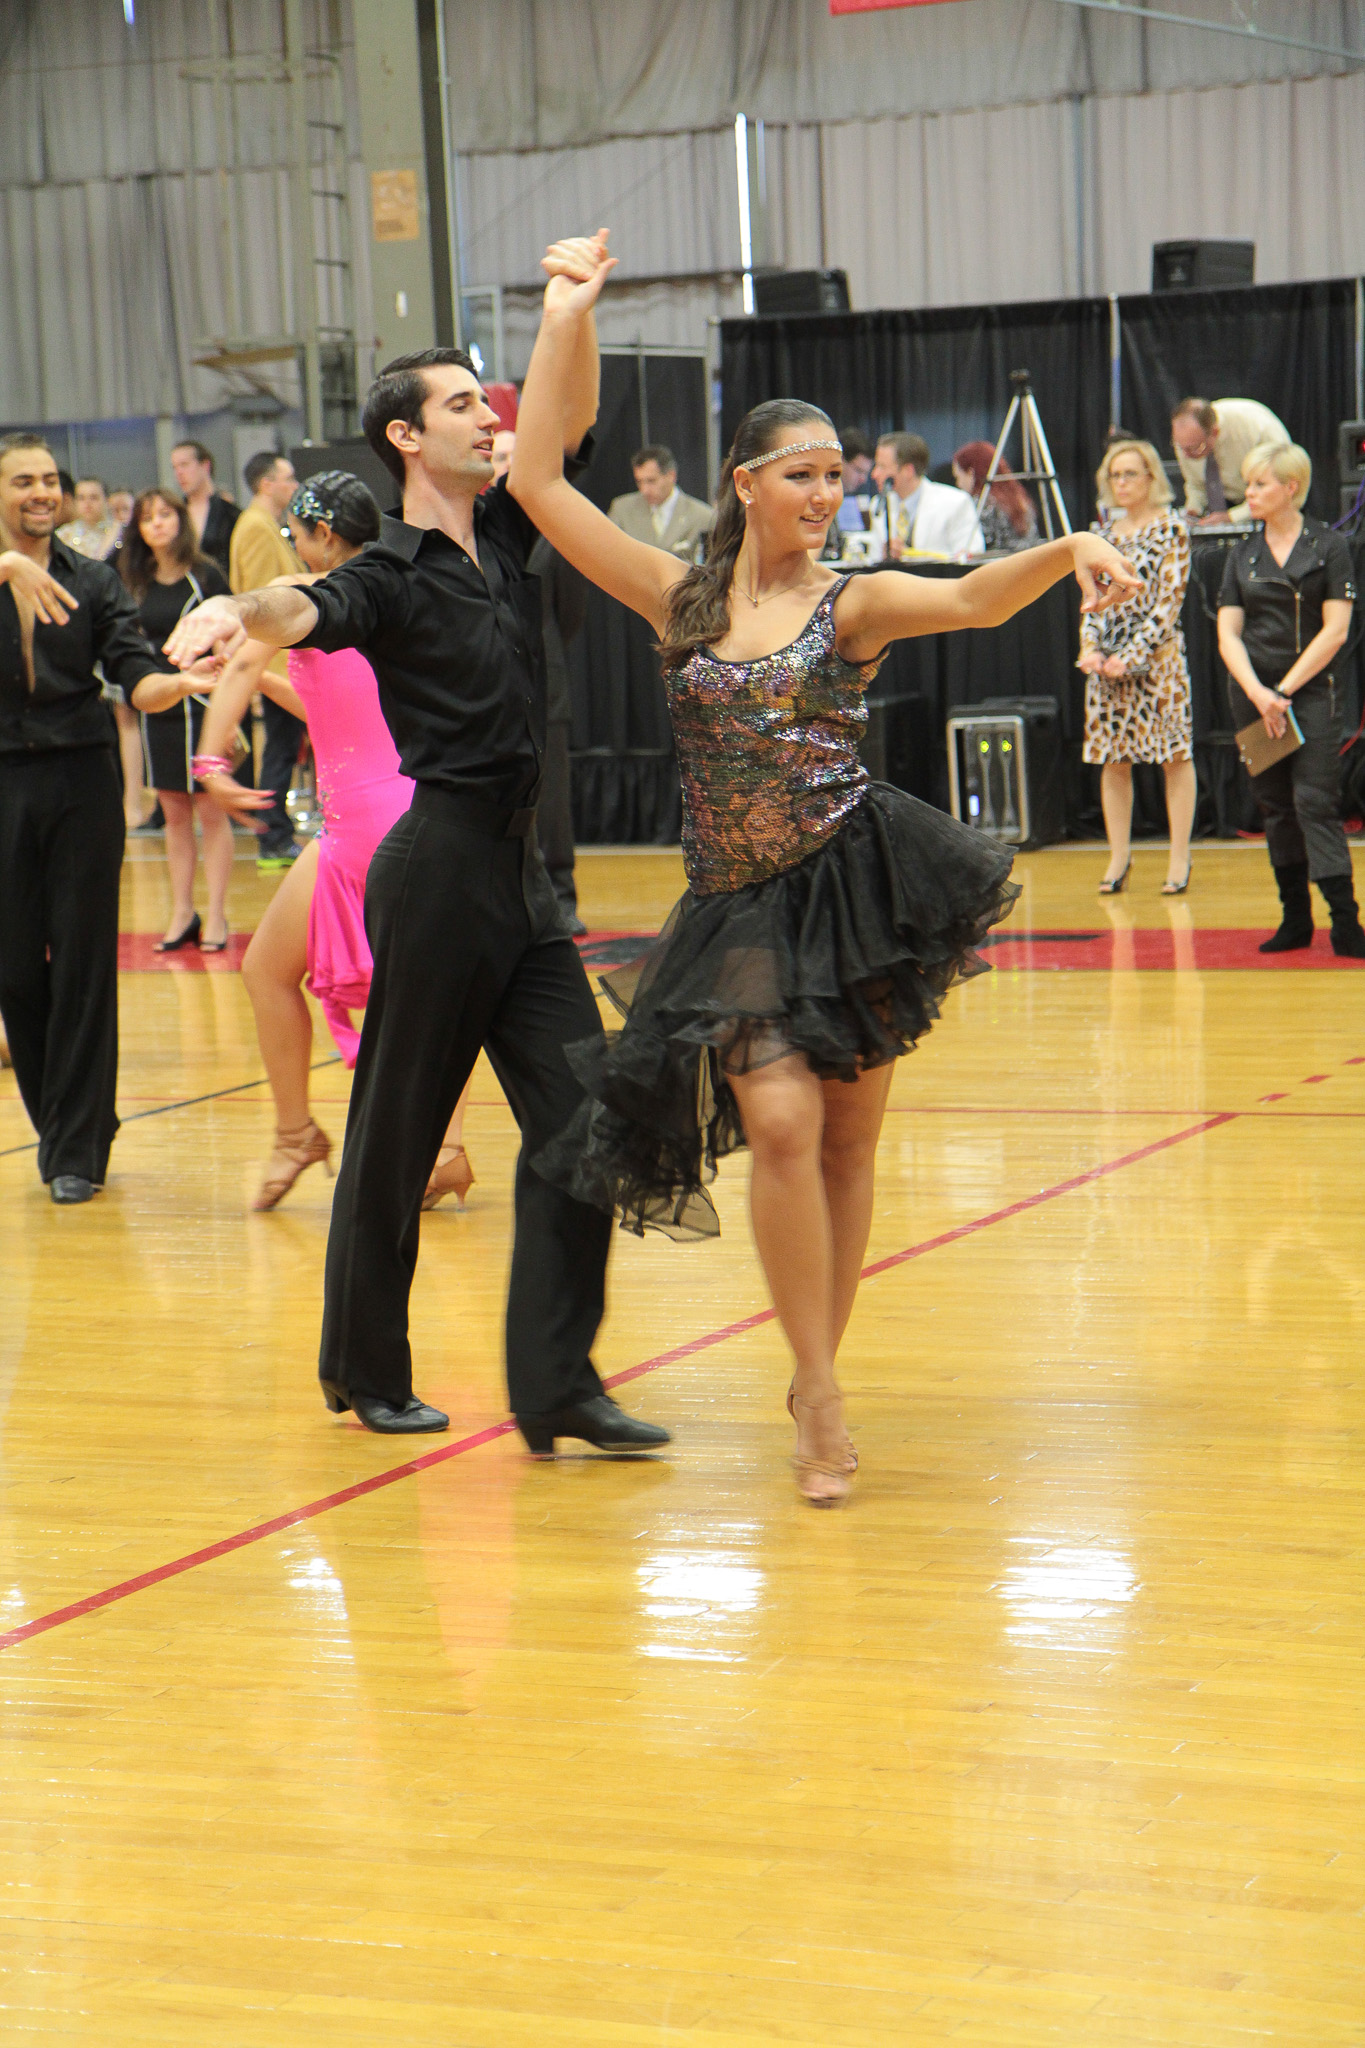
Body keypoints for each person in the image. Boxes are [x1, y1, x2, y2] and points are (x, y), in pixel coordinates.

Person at [509, 232, 1139, 1506]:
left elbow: (973, 599)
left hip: (855, 889)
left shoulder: (850, 603)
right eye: (801, 474)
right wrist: (567, 314)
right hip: (734, 909)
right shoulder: (676, 596)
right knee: (783, 1122)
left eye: (835, 476)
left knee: (847, 1144)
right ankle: (822, 1388)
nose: (824, 494)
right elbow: (535, 480)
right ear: (745, 484)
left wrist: (1069, 549)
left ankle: (813, 1378)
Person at [163, 240, 670, 1459]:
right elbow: (304, 608)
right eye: (460, 405)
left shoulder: (509, 530)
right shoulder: (387, 571)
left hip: (520, 881)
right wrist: (238, 606)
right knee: (396, 1131)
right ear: (405, 436)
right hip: (435, 872)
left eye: (487, 401)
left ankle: (556, 1382)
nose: (487, 417)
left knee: (584, 1120)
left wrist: (570, 312)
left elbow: (567, 421)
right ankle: (365, 1365)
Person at [194, 470, 475, 1211]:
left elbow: (246, 656)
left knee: (280, 975)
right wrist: (266, 684)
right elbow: (341, 703)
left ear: (321, 535)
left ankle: (304, 1135)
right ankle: (438, 1148)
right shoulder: (395, 593)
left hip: (362, 828)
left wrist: (211, 763)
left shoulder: (305, 594)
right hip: (404, 811)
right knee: (416, 991)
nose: (295, 548)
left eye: (296, 535)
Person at [0, 432, 212, 1204]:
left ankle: (77, 1147)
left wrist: (173, 684)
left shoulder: (92, 579)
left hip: (81, 780)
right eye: (23, 481)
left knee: (84, 962)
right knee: (15, 970)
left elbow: (133, 670)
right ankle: (65, 1124)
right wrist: (7, 566)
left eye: (48, 480)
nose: (41, 492)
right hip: (5, 782)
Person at [1217, 442, 1364, 955]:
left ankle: (1345, 922)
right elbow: (1227, 635)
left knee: (1313, 802)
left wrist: (1283, 692)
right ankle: (1295, 920)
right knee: (1276, 806)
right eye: (1248, 483)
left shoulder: (1329, 546)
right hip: (1253, 699)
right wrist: (1259, 694)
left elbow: (1336, 631)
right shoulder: (1242, 554)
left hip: (1311, 695)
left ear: (1291, 487)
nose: (1249, 493)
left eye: (1259, 484)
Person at [119, 487, 236, 951]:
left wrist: (230, 711)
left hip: (207, 706)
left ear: (180, 520)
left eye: (165, 514)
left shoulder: (206, 575)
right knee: (173, 814)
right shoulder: (136, 579)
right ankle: (183, 912)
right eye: (148, 518)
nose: (157, 524)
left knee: (211, 811)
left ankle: (218, 914)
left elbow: (233, 640)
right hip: (161, 706)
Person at [1078, 440, 1196, 896]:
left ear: (1151, 477)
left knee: (1174, 756)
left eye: (1130, 473)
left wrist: (1133, 653)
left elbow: (1169, 603)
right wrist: (1091, 648)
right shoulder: (1100, 533)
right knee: (1114, 759)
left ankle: (1179, 857)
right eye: (1115, 475)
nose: (1122, 483)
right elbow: (1091, 599)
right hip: (1107, 664)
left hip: (1159, 662)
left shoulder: (1172, 528)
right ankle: (1118, 857)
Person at [230, 451, 306, 871]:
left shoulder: (265, 525)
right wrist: (271, 671)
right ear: (266, 484)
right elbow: (262, 601)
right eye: (287, 478)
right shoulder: (256, 527)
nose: (293, 486)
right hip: (276, 663)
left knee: (282, 749)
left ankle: (276, 832)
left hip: (279, 661)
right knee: (279, 751)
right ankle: (273, 835)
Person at [1171, 397, 1290, 527]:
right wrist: (1192, 510)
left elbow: (1279, 488)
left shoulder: (1254, 427)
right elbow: (1196, 484)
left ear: (1214, 432)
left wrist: (1232, 517)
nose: (1186, 455)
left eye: (1194, 448)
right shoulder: (1187, 442)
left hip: (1271, 511)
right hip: (1223, 508)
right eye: (1180, 447)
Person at [870, 432, 983, 558]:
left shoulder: (956, 503)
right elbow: (872, 558)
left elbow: (971, 556)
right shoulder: (879, 505)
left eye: (882, 466)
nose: (874, 474)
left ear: (908, 471)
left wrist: (910, 555)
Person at [609, 444, 713, 561]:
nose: (644, 490)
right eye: (639, 482)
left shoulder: (702, 516)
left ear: (671, 475)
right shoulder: (622, 509)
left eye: (651, 481)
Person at [951, 441, 1039, 554]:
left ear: (971, 473)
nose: (958, 484)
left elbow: (975, 549)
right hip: (1028, 560)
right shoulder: (1021, 500)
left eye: (958, 477)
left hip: (997, 564)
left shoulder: (979, 505)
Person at [170, 440, 240, 577]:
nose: (179, 473)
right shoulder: (175, 513)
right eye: (175, 467)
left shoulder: (230, 513)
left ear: (205, 465)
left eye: (184, 465)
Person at [58, 477, 121, 561]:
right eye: (81, 498)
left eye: (94, 497)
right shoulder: (64, 535)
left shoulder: (120, 532)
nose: (87, 503)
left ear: (107, 500)